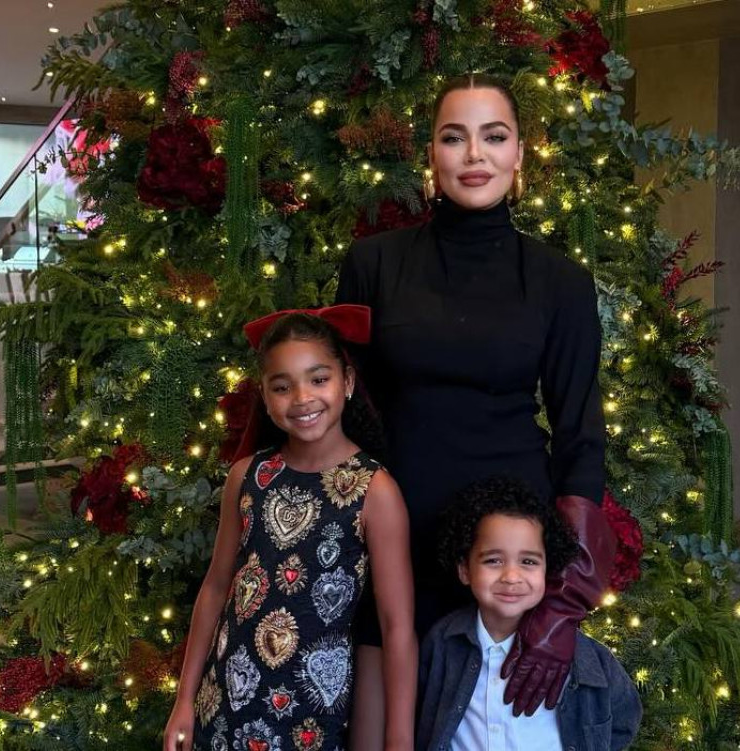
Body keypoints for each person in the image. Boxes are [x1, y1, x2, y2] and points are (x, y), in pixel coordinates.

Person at [336, 73, 617, 742]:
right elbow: (347, 413)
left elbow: (580, 435)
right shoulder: (373, 264)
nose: (474, 155)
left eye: (494, 137)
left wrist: (566, 601)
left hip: (507, 552)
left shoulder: (561, 282)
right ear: (430, 154)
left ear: (520, 153)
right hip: (394, 537)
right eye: (453, 137)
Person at [163, 306, 417, 751]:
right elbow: (217, 587)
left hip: (310, 718)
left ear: (347, 382)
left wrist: (399, 739)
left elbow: (397, 626)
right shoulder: (247, 476)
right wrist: (184, 700)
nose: (302, 398)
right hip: (223, 706)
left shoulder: (375, 491)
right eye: (282, 387)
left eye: (318, 379)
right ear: (264, 395)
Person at [417, 476, 641, 751]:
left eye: (528, 561)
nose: (511, 576)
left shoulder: (586, 657)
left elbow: (624, 719)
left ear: (548, 569)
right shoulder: (443, 642)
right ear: (465, 569)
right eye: (493, 560)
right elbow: (425, 717)